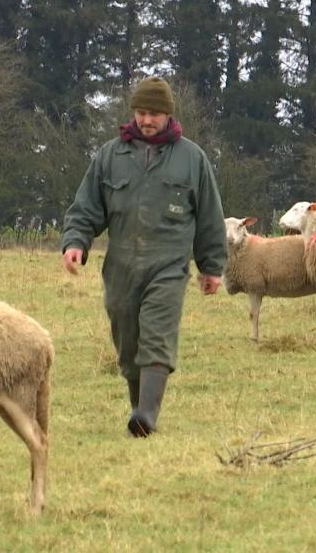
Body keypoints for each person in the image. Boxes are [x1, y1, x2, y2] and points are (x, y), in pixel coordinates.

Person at [60, 76, 226, 437]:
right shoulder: (109, 156)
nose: (146, 120)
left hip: (168, 266)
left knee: (156, 334)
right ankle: (138, 408)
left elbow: (210, 217)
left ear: (168, 115)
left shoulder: (192, 159)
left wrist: (211, 267)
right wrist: (76, 242)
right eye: (140, 113)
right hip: (120, 267)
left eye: (153, 114)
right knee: (128, 339)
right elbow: (86, 208)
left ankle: (147, 416)